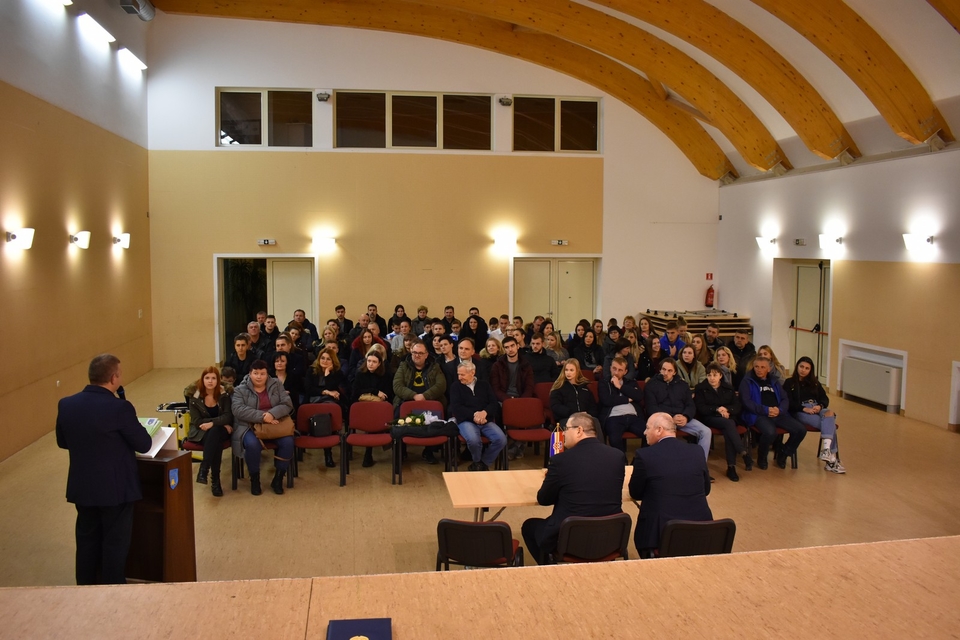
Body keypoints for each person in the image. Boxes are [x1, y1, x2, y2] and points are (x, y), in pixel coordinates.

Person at [56, 354, 152, 585]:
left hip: (83, 487)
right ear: (113, 378)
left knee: (86, 540)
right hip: (115, 490)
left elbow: (63, 441)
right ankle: (112, 589)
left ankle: (85, 586)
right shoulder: (119, 408)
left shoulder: (66, 404)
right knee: (114, 543)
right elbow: (143, 444)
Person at [521, 412, 626, 565]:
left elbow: (543, 499)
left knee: (529, 527)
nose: (563, 434)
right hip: (609, 535)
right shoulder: (617, 456)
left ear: (579, 430)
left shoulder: (561, 461)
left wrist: (554, 480)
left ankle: (550, 569)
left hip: (570, 538)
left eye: (566, 429)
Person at [629, 412, 713, 557]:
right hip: (701, 531)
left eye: (647, 428)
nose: (644, 432)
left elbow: (635, 493)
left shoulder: (644, 455)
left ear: (659, 430)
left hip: (662, 535)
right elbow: (706, 489)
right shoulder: (697, 451)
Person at [231, 360, 295, 495]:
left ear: (267, 374)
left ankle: (278, 478)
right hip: (249, 425)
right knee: (252, 445)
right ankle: (255, 479)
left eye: (262, 373)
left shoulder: (276, 384)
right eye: (255, 373)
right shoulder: (239, 389)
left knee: (288, 442)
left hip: (275, 423)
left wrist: (272, 414)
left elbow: (287, 404)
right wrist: (263, 416)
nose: (259, 377)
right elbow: (238, 410)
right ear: (250, 373)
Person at [739, 356, 806, 470]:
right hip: (758, 414)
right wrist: (766, 410)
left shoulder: (774, 381)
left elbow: (785, 398)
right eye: (756, 367)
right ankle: (762, 457)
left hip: (777, 413)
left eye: (762, 367)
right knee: (770, 432)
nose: (759, 370)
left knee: (800, 430)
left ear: (769, 369)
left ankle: (784, 453)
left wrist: (780, 410)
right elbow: (747, 402)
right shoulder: (747, 381)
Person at [783, 356, 845, 474]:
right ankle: (831, 460)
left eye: (807, 368)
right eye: (801, 367)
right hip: (800, 411)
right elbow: (788, 402)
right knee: (829, 425)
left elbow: (824, 398)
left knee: (830, 413)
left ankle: (826, 450)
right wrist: (804, 408)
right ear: (797, 367)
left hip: (816, 407)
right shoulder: (789, 382)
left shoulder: (815, 383)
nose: (803, 370)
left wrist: (820, 406)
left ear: (810, 370)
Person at [644, 358, 712, 463]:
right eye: (663, 369)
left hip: (682, 419)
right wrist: (670, 418)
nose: (665, 373)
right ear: (660, 370)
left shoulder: (682, 385)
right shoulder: (651, 384)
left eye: (669, 370)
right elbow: (651, 408)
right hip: (662, 420)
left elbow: (690, 405)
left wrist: (686, 416)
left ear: (675, 372)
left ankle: (700, 465)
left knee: (706, 432)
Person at [392, 339, 448, 463]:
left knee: (437, 417)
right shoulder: (404, 366)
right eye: (414, 352)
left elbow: (441, 385)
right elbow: (397, 386)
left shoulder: (434, 366)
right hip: (407, 401)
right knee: (397, 416)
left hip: (430, 401)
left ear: (426, 354)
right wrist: (413, 396)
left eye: (420, 353)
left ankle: (429, 451)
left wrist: (424, 396)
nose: (417, 355)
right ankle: (401, 450)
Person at [695, 363, 753, 481]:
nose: (712, 378)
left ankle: (731, 467)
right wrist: (717, 409)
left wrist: (726, 410)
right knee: (729, 424)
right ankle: (742, 452)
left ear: (720, 376)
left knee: (728, 430)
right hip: (710, 418)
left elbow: (737, 406)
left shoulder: (728, 388)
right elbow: (701, 408)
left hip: (728, 417)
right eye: (709, 375)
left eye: (715, 375)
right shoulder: (700, 388)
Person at [185, 365, 234, 496]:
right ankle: (215, 481)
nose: (210, 381)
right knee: (215, 439)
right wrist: (219, 423)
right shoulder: (194, 397)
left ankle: (204, 468)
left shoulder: (224, 395)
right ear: (202, 380)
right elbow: (197, 421)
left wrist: (212, 423)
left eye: (213, 378)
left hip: (219, 430)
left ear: (218, 380)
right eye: (207, 378)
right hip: (201, 431)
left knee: (215, 432)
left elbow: (228, 416)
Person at [449, 361, 506, 472]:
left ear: (472, 372)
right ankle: (477, 461)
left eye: (462, 374)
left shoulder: (484, 385)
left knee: (501, 439)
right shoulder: (455, 387)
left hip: (485, 420)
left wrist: (484, 413)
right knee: (474, 440)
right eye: (458, 374)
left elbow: (494, 403)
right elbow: (456, 408)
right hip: (466, 421)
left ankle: (483, 463)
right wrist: (474, 415)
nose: (459, 377)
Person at [599, 356, 645, 451]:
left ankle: (638, 459)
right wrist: (627, 399)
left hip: (633, 417)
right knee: (614, 439)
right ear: (610, 368)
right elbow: (606, 400)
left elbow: (639, 396)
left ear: (625, 372)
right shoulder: (604, 382)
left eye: (620, 370)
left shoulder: (631, 383)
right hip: (614, 417)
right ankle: (622, 460)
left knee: (650, 434)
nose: (616, 372)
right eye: (614, 368)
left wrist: (620, 386)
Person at [549, 359, 598, 425]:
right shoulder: (558, 387)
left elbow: (593, 406)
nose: (568, 373)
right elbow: (556, 406)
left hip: (585, 418)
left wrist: (588, 414)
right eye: (566, 370)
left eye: (571, 370)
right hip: (567, 418)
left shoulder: (585, 388)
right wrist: (574, 413)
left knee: (595, 421)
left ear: (577, 371)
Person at [272, 351, 302, 417]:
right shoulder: (269, 377)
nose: (279, 363)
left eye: (282, 361)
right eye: (277, 361)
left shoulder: (294, 376)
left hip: (290, 406)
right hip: (272, 406)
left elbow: (295, 393)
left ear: (287, 363)